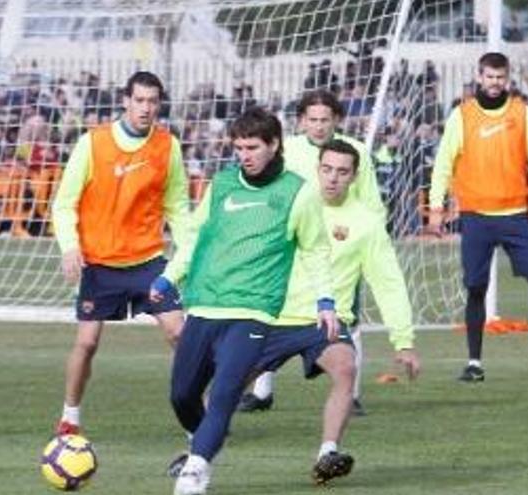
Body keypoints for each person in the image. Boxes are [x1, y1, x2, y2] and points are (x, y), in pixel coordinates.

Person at [151, 107, 337, 495]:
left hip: (252, 312)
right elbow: (197, 238)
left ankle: (195, 470)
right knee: (182, 395)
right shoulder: (221, 185)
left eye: (252, 147)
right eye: (238, 147)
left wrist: (325, 301)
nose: (244, 155)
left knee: (225, 393)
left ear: (274, 145)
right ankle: (201, 443)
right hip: (204, 306)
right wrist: (169, 277)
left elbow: (317, 250)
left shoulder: (298, 192)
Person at [258, 139, 421, 484]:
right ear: (317, 169)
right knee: (226, 385)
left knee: (346, 366)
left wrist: (403, 341)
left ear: (354, 176)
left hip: (325, 323)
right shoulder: (295, 205)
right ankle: (197, 452)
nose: (333, 178)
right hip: (275, 316)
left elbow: (388, 281)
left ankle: (327, 452)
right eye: (327, 169)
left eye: (342, 172)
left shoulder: (366, 223)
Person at [51, 71, 191, 435]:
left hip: (148, 262)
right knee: (86, 342)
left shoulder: (167, 146)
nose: (146, 108)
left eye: (153, 102)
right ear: (125, 101)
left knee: (180, 333)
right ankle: (70, 417)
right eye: (139, 100)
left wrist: (190, 252)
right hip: (99, 263)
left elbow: (177, 206)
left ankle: (198, 417)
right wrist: (70, 247)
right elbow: (64, 204)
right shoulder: (92, 143)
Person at [428, 52, 528, 382]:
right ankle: (474, 364)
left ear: (506, 78)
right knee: (475, 288)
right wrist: (436, 208)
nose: (495, 83)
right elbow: (443, 163)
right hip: (476, 217)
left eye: (500, 77)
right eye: (489, 77)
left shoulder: (520, 113)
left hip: (515, 216)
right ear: (479, 77)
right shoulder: (462, 115)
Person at [240, 89, 386, 415]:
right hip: (293, 248)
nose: (319, 126)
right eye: (312, 120)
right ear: (302, 121)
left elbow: (371, 204)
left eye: (325, 120)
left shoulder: (356, 152)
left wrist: (368, 242)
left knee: (347, 315)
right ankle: (262, 392)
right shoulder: (288, 151)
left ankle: (352, 395)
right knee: (273, 313)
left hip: (341, 247)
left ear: (337, 120)